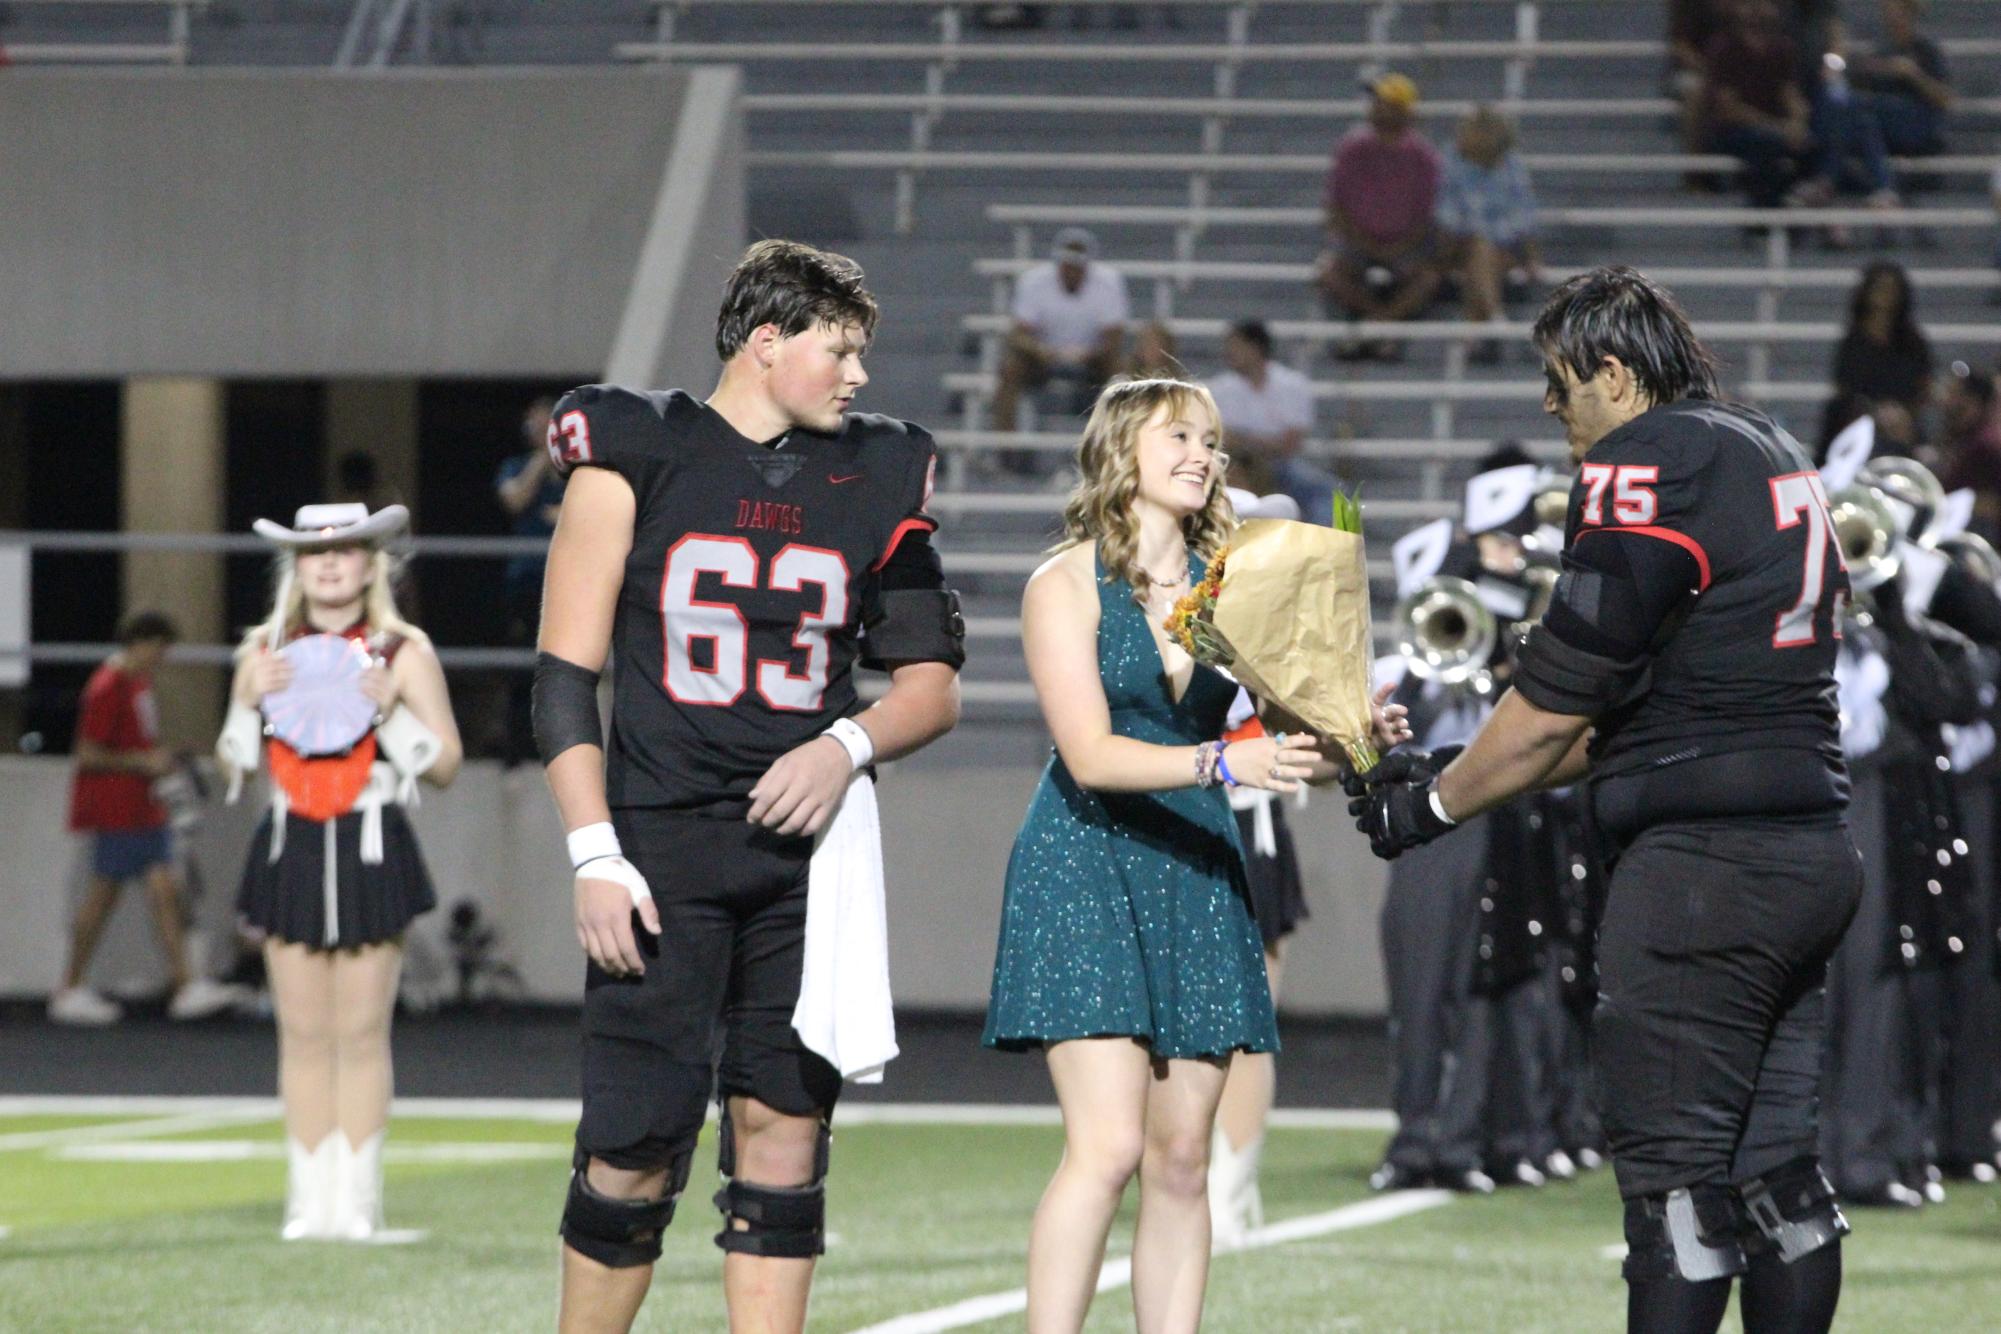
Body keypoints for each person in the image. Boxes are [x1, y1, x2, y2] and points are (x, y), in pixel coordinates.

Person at [1350, 266, 1860, 1333]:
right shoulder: (1767, 445)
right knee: (1777, 1179)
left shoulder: (1648, 457)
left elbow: (1550, 708)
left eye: (1560, 380)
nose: (1552, 406)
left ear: (1616, 373)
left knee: (1675, 1189)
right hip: (1807, 847)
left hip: (1701, 874)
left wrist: (1427, 808)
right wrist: (1450, 764)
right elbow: (1637, 715)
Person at [532, 239, 963, 1334]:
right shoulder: (637, 449)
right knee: (632, 1138)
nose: (859, 375)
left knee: (785, 1128)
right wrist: (593, 851)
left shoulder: (878, 472)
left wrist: (844, 746)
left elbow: (929, 687)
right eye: (841, 348)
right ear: (766, 343)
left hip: (803, 855)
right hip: (658, 844)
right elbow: (561, 683)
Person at [983, 377, 1338, 1331]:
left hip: (1193, 862)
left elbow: (1296, 740)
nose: (1203, 454)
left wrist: (1350, 732)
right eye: (1179, 434)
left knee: (1183, 1158)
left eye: (1213, 441)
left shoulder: (1238, 581)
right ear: (1121, 449)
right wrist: (1226, 757)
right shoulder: (1060, 582)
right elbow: (1091, 755)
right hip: (1086, 862)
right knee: (1105, 1150)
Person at [216, 502, 462, 1241]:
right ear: (296, 566)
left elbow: (446, 763)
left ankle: (357, 1202)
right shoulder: (263, 648)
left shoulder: (402, 650)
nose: (329, 563)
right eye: (313, 552)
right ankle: (307, 1201)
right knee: (300, 1032)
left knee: (359, 1032)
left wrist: (392, 713)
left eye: (347, 551)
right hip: (291, 840)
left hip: (369, 839)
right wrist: (244, 703)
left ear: (370, 563)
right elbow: (234, 762)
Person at [50, 612, 238, 1026]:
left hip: (139, 809)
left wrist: (162, 758)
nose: (162, 657)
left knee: (163, 892)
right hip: (120, 811)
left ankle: (185, 984)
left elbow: (130, 745)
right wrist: (145, 762)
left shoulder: (135, 684)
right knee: (107, 898)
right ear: (140, 642)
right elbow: (88, 752)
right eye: (159, 648)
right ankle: (71, 987)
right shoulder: (108, 686)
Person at [1317, 73, 1444, 359]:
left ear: (1403, 111)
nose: (1374, 108)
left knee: (1428, 277)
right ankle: (1383, 322)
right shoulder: (1351, 149)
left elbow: (1428, 217)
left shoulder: (1424, 157)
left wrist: (1397, 247)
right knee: (1330, 273)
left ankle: (1372, 326)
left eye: (1383, 103)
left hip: (1407, 245)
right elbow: (1335, 208)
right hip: (1357, 242)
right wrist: (1365, 243)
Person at [992, 227, 1130, 440]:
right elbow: (1019, 334)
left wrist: (1090, 353)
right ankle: (1004, 446)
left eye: (1078, 267)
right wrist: (1040, 350)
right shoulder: (1034, 282)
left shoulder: (1108, 283)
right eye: (1068, 266)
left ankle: (1118, 443)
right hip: (1042, 357)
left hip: (1092, 358)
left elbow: (1114, 337)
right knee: (1010, 369)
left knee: (1121, 373)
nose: (1073, 272)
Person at [1435, 106, 1542, 360]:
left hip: (1499, 248)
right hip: (1455, 245)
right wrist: (1481, 236)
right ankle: (1494, 317)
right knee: (1479, 247)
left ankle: (1477, 329)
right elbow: (1446, 216)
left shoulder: (1512, 164)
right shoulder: (1449, 160)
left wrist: (1529, 255)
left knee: (1482, 256)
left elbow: (1524, 215)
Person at [1203, 321, 1335, 524]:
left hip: (1280, 463)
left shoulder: (1292, 384)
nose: (1229, 352)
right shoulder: (1220, 389)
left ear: (1255, 348)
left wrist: (1244, 438)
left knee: (1328, 492)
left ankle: (1323, 550)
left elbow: (1291, 444)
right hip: (1235, 463)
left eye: (1235, 346)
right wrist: (1262, 443)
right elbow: (1221, 439)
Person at [495, 395, 565, 763]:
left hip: (565, 582)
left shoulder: (575, 470)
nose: (540, 431)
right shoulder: (515, 466)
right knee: (520, 667)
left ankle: (554, 747)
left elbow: (579, 514)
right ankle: (516, 748)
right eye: (534, 425)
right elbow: (516, 500)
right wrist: (541, 459)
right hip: (525, 579)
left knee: (559, 666)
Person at [1701, 0, 1814, 209]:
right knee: (1767, 143)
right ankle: (1766, 212)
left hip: (1773, 128)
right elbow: (1728, 109)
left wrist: (1798, 122)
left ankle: (1796, 205)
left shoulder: (1783, 48)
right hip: (1732, 131)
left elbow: (1791, 94)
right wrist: (1777, 126)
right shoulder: (1724, 47)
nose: (1755, 10)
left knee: (1812, 144)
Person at [1830, 261, 1934, 452]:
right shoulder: (1853, 342)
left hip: (1904, 422)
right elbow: (1844, 388)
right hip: (1859, 420)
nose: (1886, 296)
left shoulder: (1913, 342)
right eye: (1880, 288)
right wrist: (1874, 414)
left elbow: (1924, 387)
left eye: (1891, 289)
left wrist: (1902, 414)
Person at [1849, 0, 1953, 160]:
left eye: (1896, 11)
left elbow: (1945, 99)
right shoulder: (1882, 50)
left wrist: (1913, 74)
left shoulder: (1926, 50)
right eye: (1887, 11)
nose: (1891, 16)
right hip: (1887, 127)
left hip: (1919, 126)